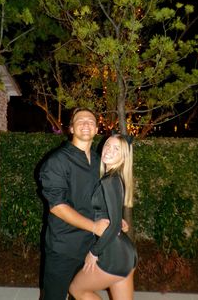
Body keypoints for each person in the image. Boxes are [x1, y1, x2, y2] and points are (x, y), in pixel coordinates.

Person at [39, 108, 110, 300]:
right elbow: (57, 206)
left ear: (96, 129)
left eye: (91, 121)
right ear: (71, 128)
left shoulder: (99, 161)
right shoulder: (57, 161)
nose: (86, 124)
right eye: (80, 121)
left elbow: (100, 200)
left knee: (80, 293)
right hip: (64, 246)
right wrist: (94, 226)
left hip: (90, 247)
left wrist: (113, 220)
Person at [69, 134, 138, 300]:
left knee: (77, 290)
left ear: (123, 156)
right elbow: (114, 218)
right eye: (108, 145)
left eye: (116, 149)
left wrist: (94, 253)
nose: (109, 150)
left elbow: (113, 226)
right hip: (126, 254)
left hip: (112, 253)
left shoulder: (110, 180)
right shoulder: (115, 178)